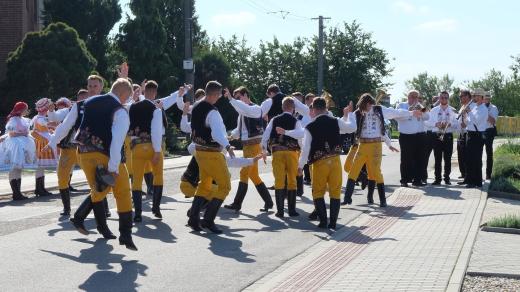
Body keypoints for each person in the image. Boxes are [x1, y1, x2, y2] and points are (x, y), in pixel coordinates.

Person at [74, 78, 137, 250]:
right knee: (123, 192)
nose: (127, 100)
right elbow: (117, 142)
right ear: (124, 94)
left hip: (83, 153)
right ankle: (126, 234)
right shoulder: (120, 111)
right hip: (105, 155)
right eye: (127, 97)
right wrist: (113, 168)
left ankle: (80, 217)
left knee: (100, 188)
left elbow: (73, 125)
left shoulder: (89, 101)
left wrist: (53, 141)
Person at [343, 93, 416, 206]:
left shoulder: (378, 109)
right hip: (362, 145)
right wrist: (346, 115)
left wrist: (411, 112)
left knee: (375, 172)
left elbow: (395, 113)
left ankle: (382, 200)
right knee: (353, 170)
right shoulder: (357, 113)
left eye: (369, 105)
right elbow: (348, 126)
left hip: (375, 145)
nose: (368, 107)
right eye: (366, 105)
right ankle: (347, 198)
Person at [298, 97, 356, 229]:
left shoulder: (309, 127)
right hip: (335, 161)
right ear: (325, 108)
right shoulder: (335, 121)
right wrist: (349, 114)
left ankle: (323, 221)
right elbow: (352, 128)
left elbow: (305, 149)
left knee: (318, 192)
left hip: (319, 163)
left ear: (313, 108)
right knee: (335, 191)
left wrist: (300, 166)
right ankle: (333, 222)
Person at [187, 81, 234, 234]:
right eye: (219, 95)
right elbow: (217, 134)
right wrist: (227, 145)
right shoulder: (213, 111)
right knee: (225, 186)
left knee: (204, 184)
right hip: (212, 153)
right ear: (214, 94)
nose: (219, 97)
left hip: (199, 151)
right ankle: (208, 220)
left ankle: (194, 219)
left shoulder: (196, 107)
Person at [223, 86, 273, 213]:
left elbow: (245, 109)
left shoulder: (255, 109)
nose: (238, 101)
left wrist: (231, 99)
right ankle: (269, 202)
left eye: (239, 97)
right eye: (236, 98)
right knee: (254, 175)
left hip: (254, 146)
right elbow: (239, 130)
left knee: (244, 173)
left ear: (246, 95)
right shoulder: (242, 113)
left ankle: (237, 204)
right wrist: (230, 136)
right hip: (247, 146)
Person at [128, 80, 169, 222]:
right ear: (155, 92)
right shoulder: (155, 109)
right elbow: (156, 131)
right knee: (158, 176)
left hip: (136, 147)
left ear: (144, 91)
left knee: (137, 180)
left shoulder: (132, 108)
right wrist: (157, 151)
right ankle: (156, 208)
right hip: (152, 146)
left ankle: (138, 213)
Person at [261, 97, 304, 218]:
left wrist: (263, 150)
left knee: (279, 181)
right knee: (292, 180)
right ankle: (292, 211)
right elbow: (301, 136)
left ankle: (280, 211)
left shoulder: (274, 119)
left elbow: (266, 135)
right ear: (293, 108)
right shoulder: (296, 120)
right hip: (292, 153)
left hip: (277, 153)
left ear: (282, 107)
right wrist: (302, 150)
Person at [0, 102, 38, 200]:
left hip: (21, 144)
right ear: (20, 110)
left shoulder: (22, 119)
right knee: (14, 168)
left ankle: (18, 193)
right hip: (14, 145)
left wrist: (26, 134)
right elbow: (11, 134)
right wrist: (23, 133)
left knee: (18, 168)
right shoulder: (13, 120)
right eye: (25, 109)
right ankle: (16, 193)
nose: (27, 110)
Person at [394, 90, 430, 187]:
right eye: (412, 96)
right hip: (406, 136)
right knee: (406, 159)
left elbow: (427, 117)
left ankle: (417, 180)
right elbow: (397, 116)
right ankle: (404, 180)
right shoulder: (401, 105)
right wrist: (410, 111)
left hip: (420, 136)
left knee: (420, 159)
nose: (414, 98)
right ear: (408, 97)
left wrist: (421, 111)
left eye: (416, 97)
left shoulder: (420, 106)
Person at [425, 91, 458, 185]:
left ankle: (447, 178)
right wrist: (436, 124)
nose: (444, 99)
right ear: (439, 99)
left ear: (448, 99)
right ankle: (437, 179)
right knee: (437, 158)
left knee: (447, 158)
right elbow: (427, 123)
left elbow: (457, 124)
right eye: (442, 97)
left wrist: (450, 124)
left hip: (448, 135)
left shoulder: (453, 110)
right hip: (437, 135)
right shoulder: (434, 110)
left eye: (446, 98)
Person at [460, 88, 488, 188]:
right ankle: (470, 180)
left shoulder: (483, 109)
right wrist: (464, 115)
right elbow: (469, 122)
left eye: (476, 95)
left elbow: (476, 121)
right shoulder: (475, 107)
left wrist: (469, 112)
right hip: (470, 134)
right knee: (469, 158)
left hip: (477, 135)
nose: (474, 97)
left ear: (481, 97)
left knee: (476, 159)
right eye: (474, 95)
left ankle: (477, 181)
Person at [31, 98, 58, 196]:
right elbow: (50, 125)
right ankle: (39, 189)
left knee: (41, 167)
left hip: (42, 141)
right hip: (41, 143)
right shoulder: (41, 118)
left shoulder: (37, 117)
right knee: (40, 167)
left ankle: (40, 188)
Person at [456, 90, 472, 182]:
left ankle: (467, 177)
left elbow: (472, 118)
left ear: (467, 96)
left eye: (461, 96)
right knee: (461, 156)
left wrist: (466, 124)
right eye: (460, 96)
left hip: (467, 132)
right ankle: (463, 174)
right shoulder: (463, 106)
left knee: (466, 156)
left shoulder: (471, 106)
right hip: (461, 133)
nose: (460, 98)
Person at [484, 92, 499, 180]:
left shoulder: (493, 108)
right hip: (480, 131)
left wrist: (485, 112)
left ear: (490, 99)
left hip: (489, 131)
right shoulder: (479, 107)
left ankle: (488, 174)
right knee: (477, 153)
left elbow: (493, 121)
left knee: (489, 153)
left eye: (488, 97)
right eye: (485, 97)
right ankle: (477, 173)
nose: (487, 99)